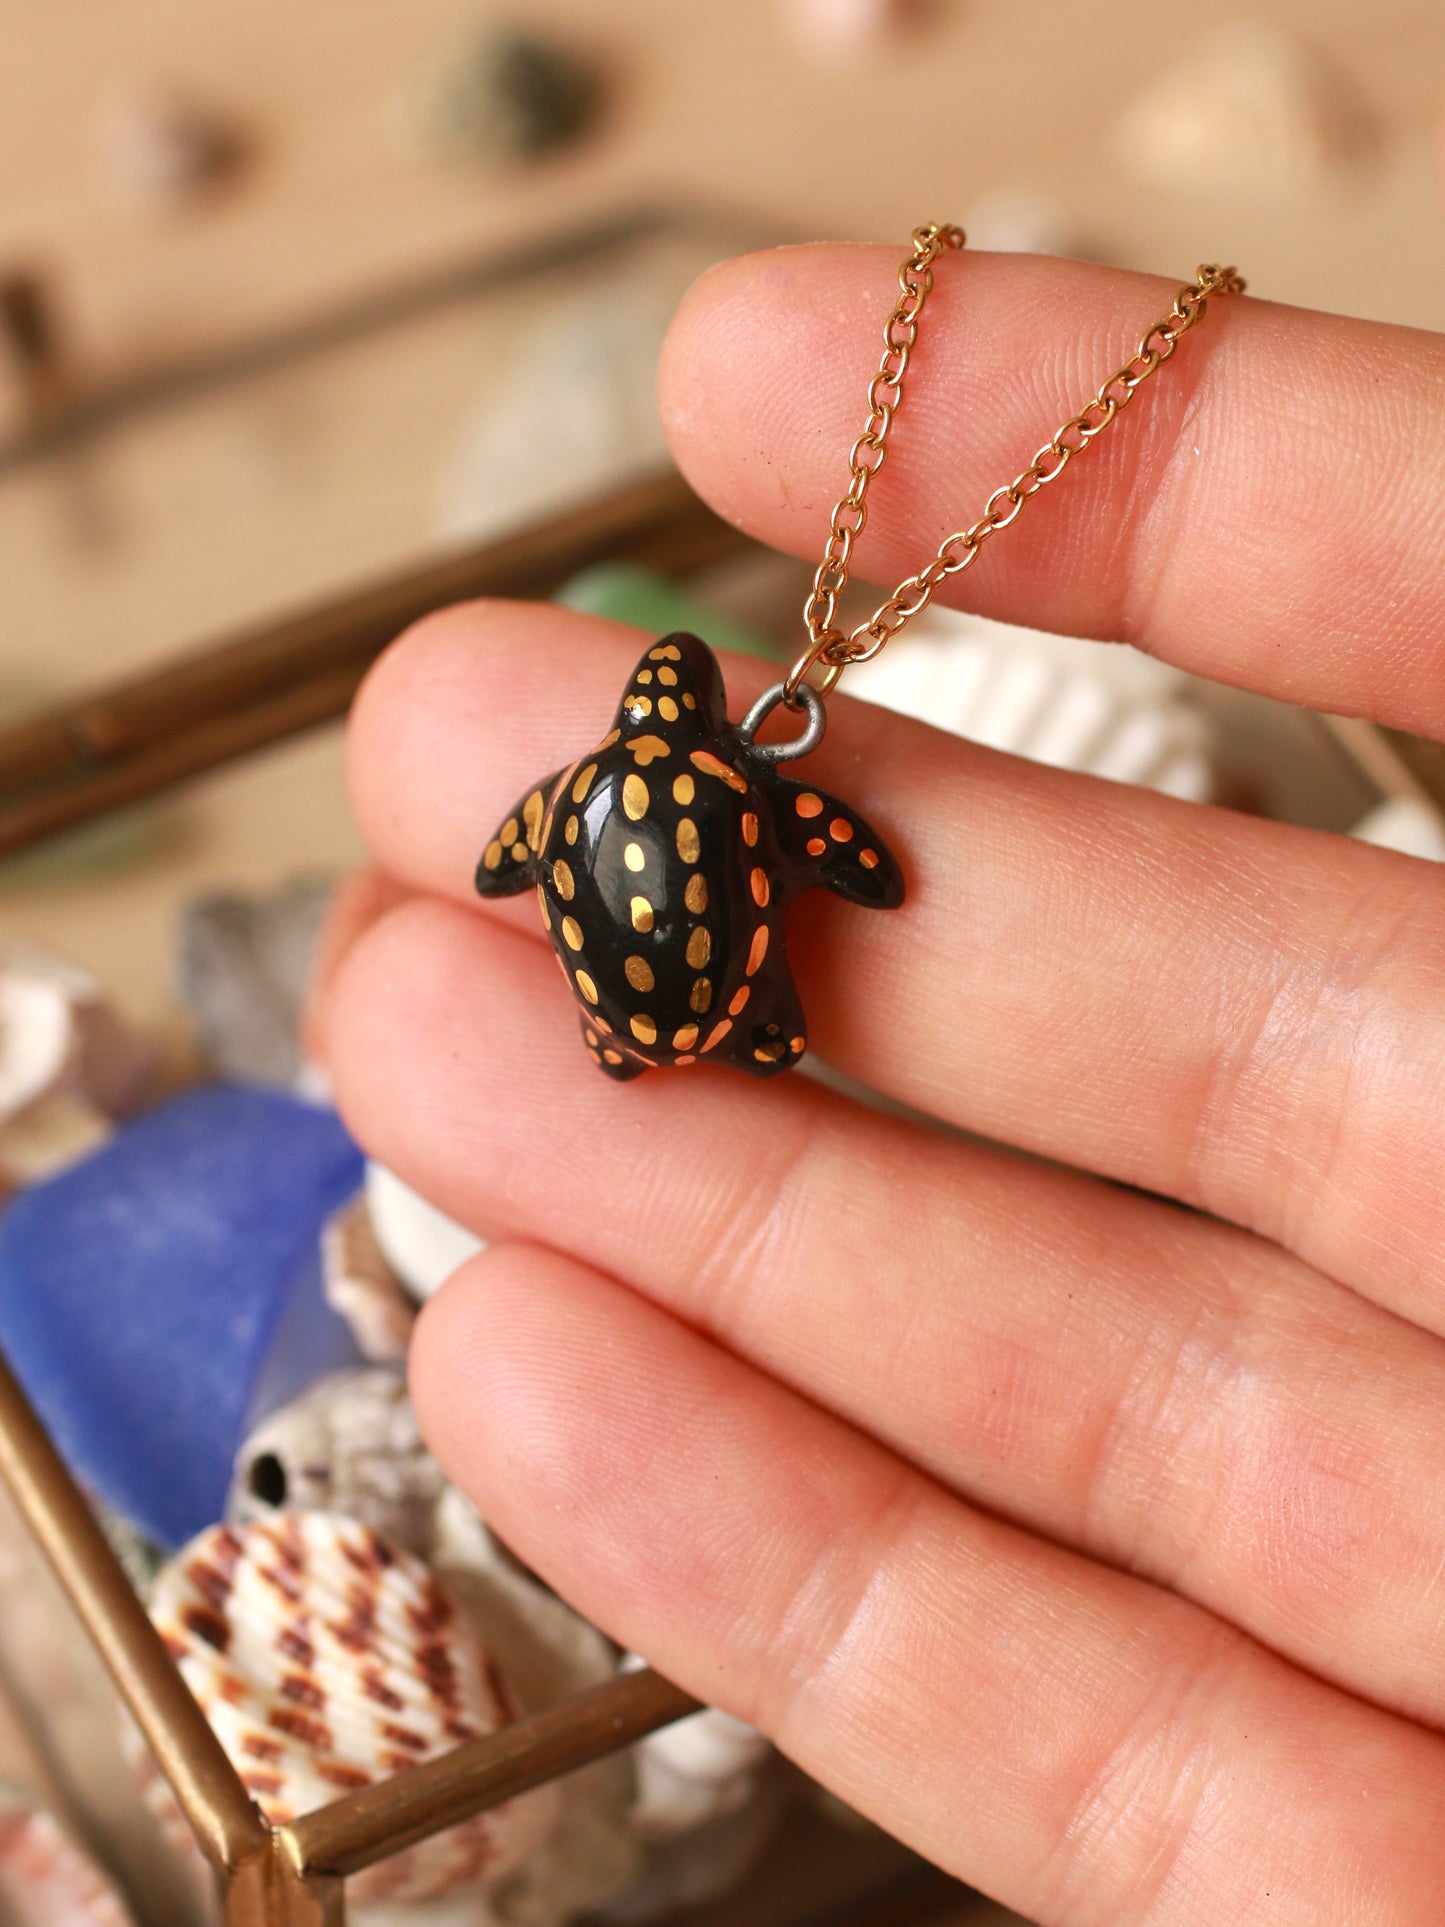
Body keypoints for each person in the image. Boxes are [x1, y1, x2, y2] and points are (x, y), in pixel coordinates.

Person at [316, 244, 1445, 1923]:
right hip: (707, 1007)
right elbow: (840, 859)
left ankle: (681, 1029)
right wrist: (829, 864)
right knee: (749, 1008)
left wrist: (569, 867)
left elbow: (517, 848)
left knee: (699, 1017)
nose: (682, 685)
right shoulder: (720, 788)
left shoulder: (576, 791)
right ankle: (724, 1026)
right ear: (692, 702)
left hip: (640, 1015)